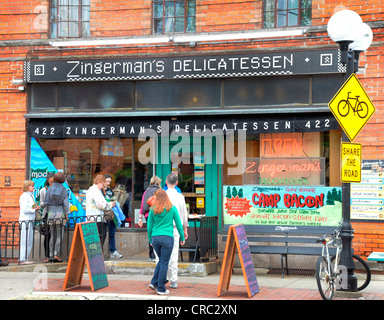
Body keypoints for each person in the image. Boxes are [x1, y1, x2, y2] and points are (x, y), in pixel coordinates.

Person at [147, 189, 185, 295]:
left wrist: (150, 239)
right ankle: (161, 288)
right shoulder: (172, 208)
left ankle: (154, 282)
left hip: (155, 237)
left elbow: (149, 226)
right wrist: (182, 237)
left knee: (161, 261)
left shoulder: (152, 209)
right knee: (164, 262)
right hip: (167, 237)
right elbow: (178, 224)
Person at [164, 173, 189, 289]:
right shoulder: (180, 197)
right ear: (177, 183)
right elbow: (184, 215)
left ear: (166, 182)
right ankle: (174, 280)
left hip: (162, 227)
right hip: (175, 228)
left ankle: (162, 277)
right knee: (174, 254)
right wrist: (185, 230)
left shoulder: (162, 195)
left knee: (161, 256)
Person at [44, 172, 70, 263]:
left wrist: (46, 214)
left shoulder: (50, 189)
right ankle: (56, 254)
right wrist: (66, 215)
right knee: (59, 236)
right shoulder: (63, 190)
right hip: (60, 214)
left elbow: (46, 203)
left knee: (52, 236)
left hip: (51, 214)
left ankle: (50, 255)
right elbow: (66, 204)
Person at [86, 174, 116, 247]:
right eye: (103, 183)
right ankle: (98, 255)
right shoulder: (96, 191)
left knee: (94, 238)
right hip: (97, 218)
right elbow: (101, 205)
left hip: (91, 217)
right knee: (101, 236)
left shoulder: (91, 189)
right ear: (99, 181)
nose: (104, 185)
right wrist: (110, 204)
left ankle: (95, 255)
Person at [138, 175, 161, 261]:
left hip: (147, 215)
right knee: (157, 234)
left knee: (151, 234)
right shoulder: (159, 191)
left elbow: (142, 205)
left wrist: (140, 218)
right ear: (158, 182)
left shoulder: (146, 191)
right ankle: (156, 254)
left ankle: (151, 256)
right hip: (157, 215)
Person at [19, 180, 41, 265]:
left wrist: (35, 207)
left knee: (29, 240)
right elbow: (24, 210)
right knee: (25, 240)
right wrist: (34, 209)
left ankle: (26, 257)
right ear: (27, 187)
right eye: (32, 186)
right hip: (25, 220)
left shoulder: (31, 196)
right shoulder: (24, 196)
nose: (33, 187)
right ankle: (22, 258)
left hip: (30, 220)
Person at [103, 174, 122, 259]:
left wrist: (113, 202)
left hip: (111, 214)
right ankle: (101, 252)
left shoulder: (110, 190)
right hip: (102, 215)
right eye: (106, 181)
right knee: (102, 234)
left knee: (111, 233)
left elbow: (114, 199)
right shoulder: (99, 191)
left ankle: (113, 251)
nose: (108, 183)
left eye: (109, 182)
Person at [39, 172, 54, 263]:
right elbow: (41, 203)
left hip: (56, 214)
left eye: (53, 182)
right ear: (48, 181)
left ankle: (54, 255)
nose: (52, 184)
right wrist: (46, 203)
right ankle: (47, 255)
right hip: (47, 214)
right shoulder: (43, 190)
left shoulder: (59, 189)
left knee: (55, 235)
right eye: (50, 182)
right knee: (47, 235)